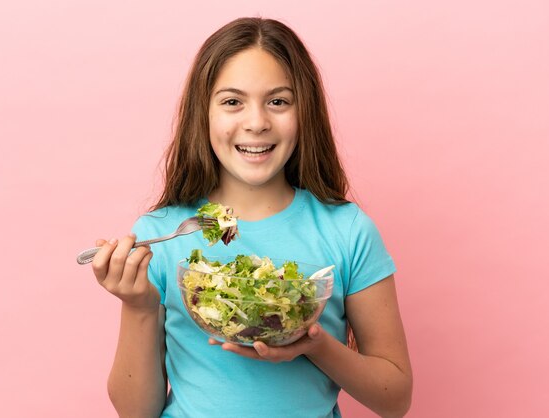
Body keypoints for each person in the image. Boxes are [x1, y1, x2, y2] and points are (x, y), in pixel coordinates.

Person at [91, 17, 412, 418]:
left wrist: (314, 344)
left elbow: (395, 398)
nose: (257, 122)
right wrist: (138, 307)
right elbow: (136, 412)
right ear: (203, 114)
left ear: (304, 112)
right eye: (232, 102)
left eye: (278, 101)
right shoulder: (162, 235)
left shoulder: (347, 230)